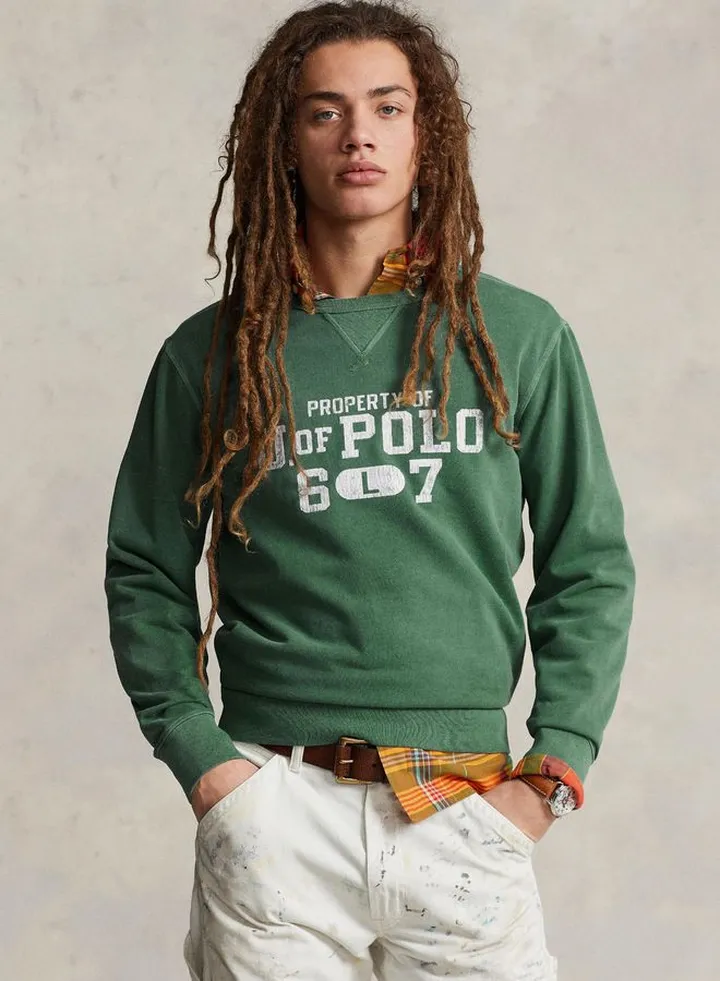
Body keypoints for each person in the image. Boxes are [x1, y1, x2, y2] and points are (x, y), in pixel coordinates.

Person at [103, 2, 636, 978]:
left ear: (427, 133)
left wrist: (551, 771)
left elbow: (589, 562)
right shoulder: (210, 354)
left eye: (388, 108)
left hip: (465, 806)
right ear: (286, 141)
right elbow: (144, 567)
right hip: (275, 806)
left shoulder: (518, 336)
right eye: (326, 111)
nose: (359, 135)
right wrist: (207, 767)